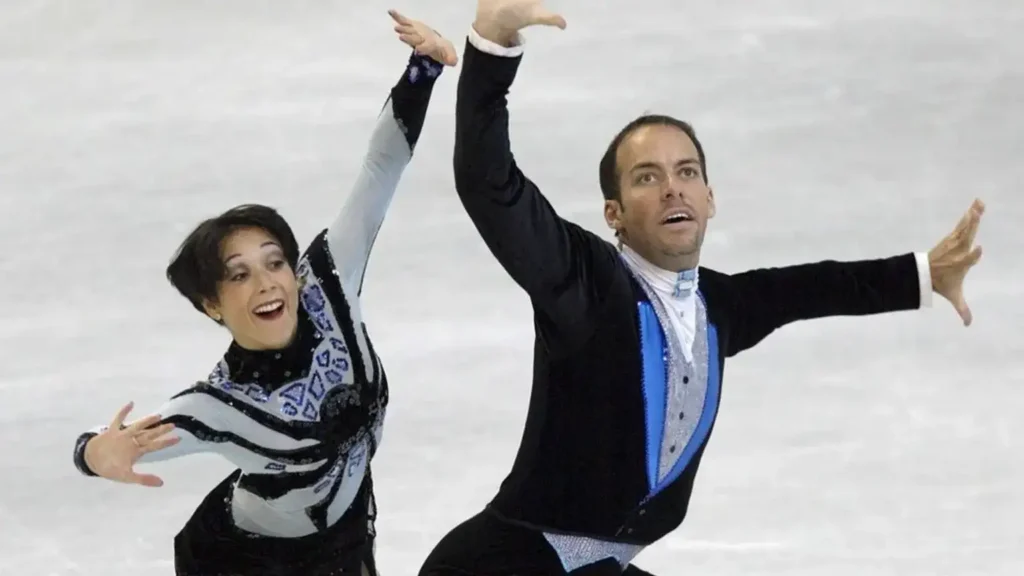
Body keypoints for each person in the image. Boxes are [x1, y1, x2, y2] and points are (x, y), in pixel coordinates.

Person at [418, 1, 986, 574]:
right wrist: (492, 46)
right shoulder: (587, 283)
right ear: (613, 213)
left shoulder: (718, 307)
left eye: (687, 172)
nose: (673, 190)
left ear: (710, 198)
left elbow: (811, 288)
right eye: (647, 178)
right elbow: (491, 186)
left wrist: (922, 274)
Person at [70, 11, 457, 576]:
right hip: (238, 562)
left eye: (275, 262)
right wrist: (96, 454)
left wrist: (423, 67)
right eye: (239, 274)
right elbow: (112, 446)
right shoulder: (221, 405)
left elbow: (380, 169)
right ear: (213, 305)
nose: (268, 282)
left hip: (343, 543)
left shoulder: (328, 285)